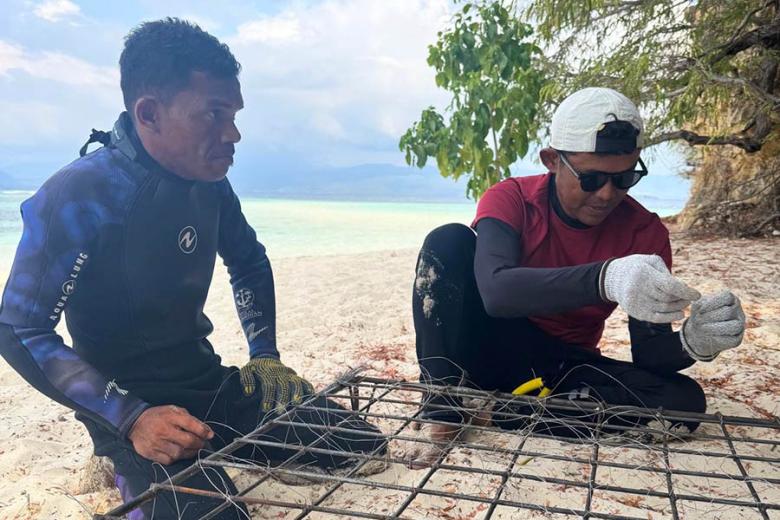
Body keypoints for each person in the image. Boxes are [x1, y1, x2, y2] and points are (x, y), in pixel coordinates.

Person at [0, 19, 385, 518]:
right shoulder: (78, 194)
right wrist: (130, 418)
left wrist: (264, 355)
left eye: (235, 113)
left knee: (359, 443)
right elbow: (19, 326)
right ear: (149, 113)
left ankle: (224, 444)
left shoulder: (209, 184)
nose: (233, 133)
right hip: (125, 402)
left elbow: (248, 261)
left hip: (205, 381)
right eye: (214, 113)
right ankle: (118, 460)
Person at [408, 87, 746, 465]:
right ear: (552, 160)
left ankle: (501, 413)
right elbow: (497, 292)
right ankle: (442, 408)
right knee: (448, 241)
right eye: (591, 179)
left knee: (684, 404)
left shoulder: (644, 234)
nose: (606, 194)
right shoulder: (512, 199)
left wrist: (692, 342)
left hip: (562, 365)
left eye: (625, 179)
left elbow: (649, 353)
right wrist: (605, 277)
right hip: (484, 345)